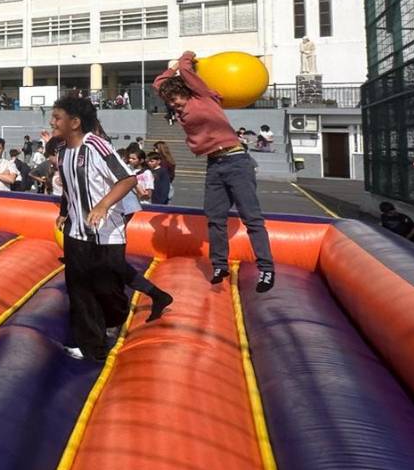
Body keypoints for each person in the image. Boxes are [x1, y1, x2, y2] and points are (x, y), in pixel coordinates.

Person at [51, 96, 173, 361]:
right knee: (79, 291)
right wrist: (64, 213)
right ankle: (92, 348)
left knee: (107, 287)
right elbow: (70, 188)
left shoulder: (95, 145)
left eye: (57, 117)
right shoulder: (62, 151)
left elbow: (127, 179)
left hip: (106, 231)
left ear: (75, 122)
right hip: (76, 232)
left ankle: (118, 318)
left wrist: (103, 205)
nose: (52, 121)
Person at [155, 51, 275, 292]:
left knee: (251, 217)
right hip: (214, 164)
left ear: (186, 92)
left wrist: (185, 58)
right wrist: (169, 70)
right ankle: (219, 264)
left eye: (176, 98)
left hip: (237, 160)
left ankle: (267, 269)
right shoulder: (180, 111)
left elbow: (187, 72)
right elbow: (158, 84)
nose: (173, 104)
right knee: (214, 217)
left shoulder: (203, 97)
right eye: (169, 102)